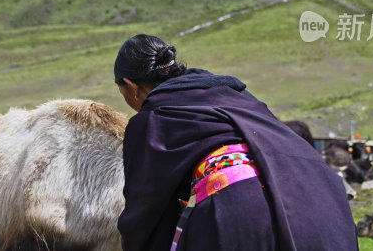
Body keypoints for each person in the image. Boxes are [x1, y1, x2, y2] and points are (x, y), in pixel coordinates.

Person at [114, 34, 358, 251]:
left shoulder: (152, 118)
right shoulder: (238, 96)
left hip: (240, 210)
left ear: (132, 87)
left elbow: (146, 210)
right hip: (322, 196)